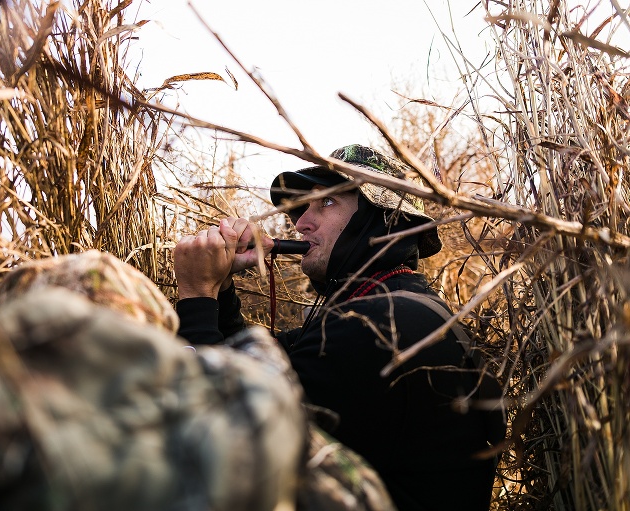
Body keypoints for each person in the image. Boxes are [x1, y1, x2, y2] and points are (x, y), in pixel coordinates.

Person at [174, 144, 506, 511]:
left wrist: (196, 295)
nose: (300, 223)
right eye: (302, 209)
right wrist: (219, 289)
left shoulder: (376, 327)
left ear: (381, 219)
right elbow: (255, 364)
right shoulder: (405, 307)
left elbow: (217, 448)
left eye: (326, 203)